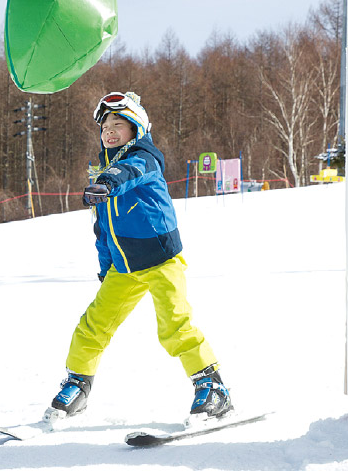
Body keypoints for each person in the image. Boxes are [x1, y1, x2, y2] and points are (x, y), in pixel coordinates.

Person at [48, 91, 232, 423]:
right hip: (125, 267)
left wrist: (108, 181)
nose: (110, 131)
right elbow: (102, 231)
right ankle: (78, 382)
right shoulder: (106, 172)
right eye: (105, 127)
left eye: (119, 124)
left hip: (160, 259)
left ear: (137, 129)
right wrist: (106, 269)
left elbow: (132, 171)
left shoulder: (145, 157)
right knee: (93, 325)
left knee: (175, 324)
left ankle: (212, 386)